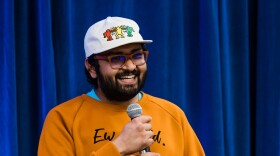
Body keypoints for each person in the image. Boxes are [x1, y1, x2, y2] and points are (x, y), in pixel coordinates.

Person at [38, 16, 205, 156]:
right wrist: (118, 147)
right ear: (91, 67)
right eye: (117, 58)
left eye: (137, 55)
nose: (131, 66)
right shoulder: (63, 119)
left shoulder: (172, 114)